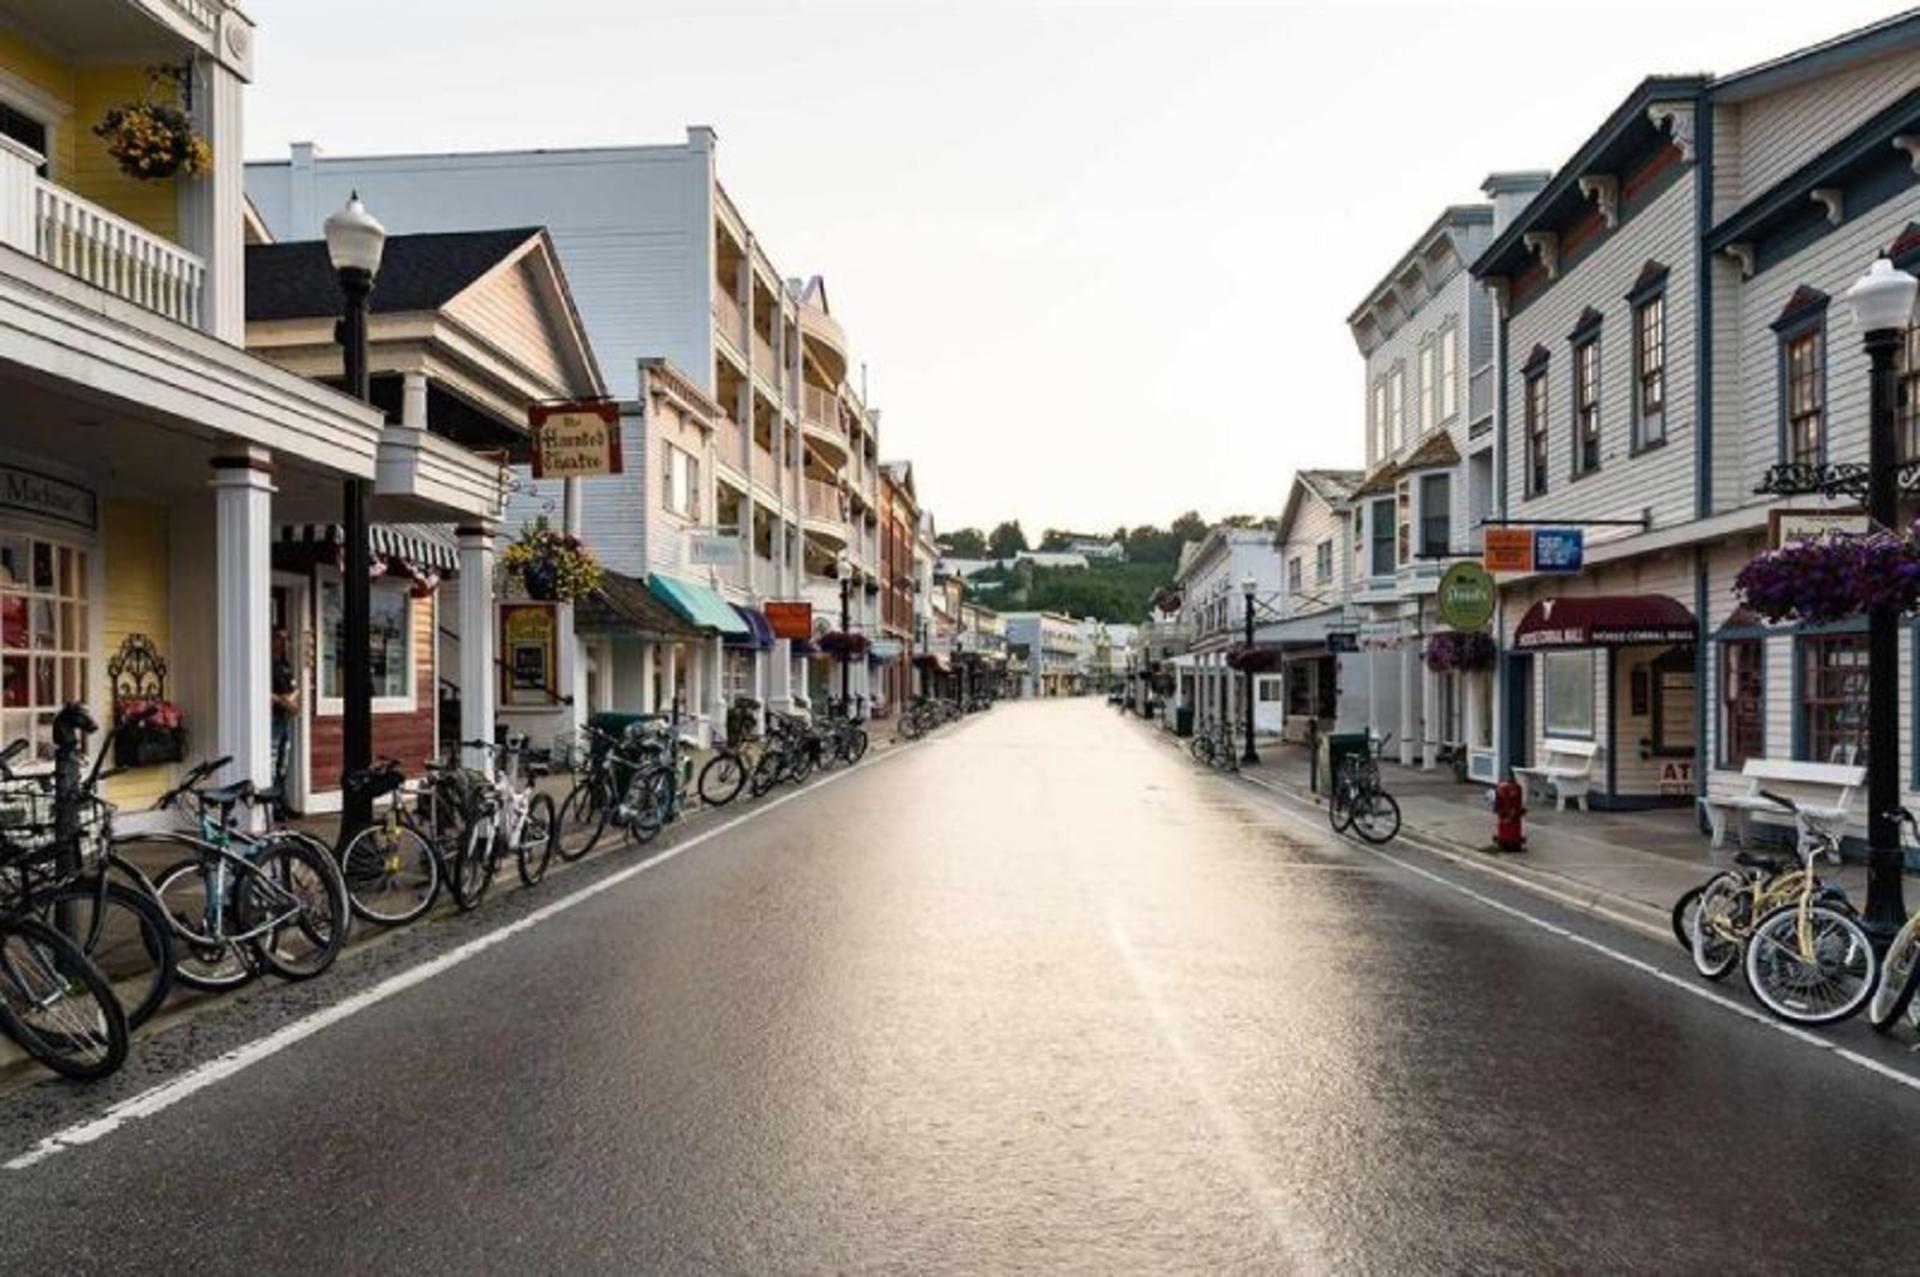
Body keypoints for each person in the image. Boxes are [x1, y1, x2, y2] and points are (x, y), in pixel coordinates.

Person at [271, 626, 299, 787]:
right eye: (279, 638)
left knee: (284, 761)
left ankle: (280, 801)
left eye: (286, 639)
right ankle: (272, 806)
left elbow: (295, 688)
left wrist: (290, 701)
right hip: (272, 718)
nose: (283, 643)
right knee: (272, 761)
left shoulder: (285, 664)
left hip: (285, 718)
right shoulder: (267, 663)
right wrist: (285, 702)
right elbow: (263, 692)